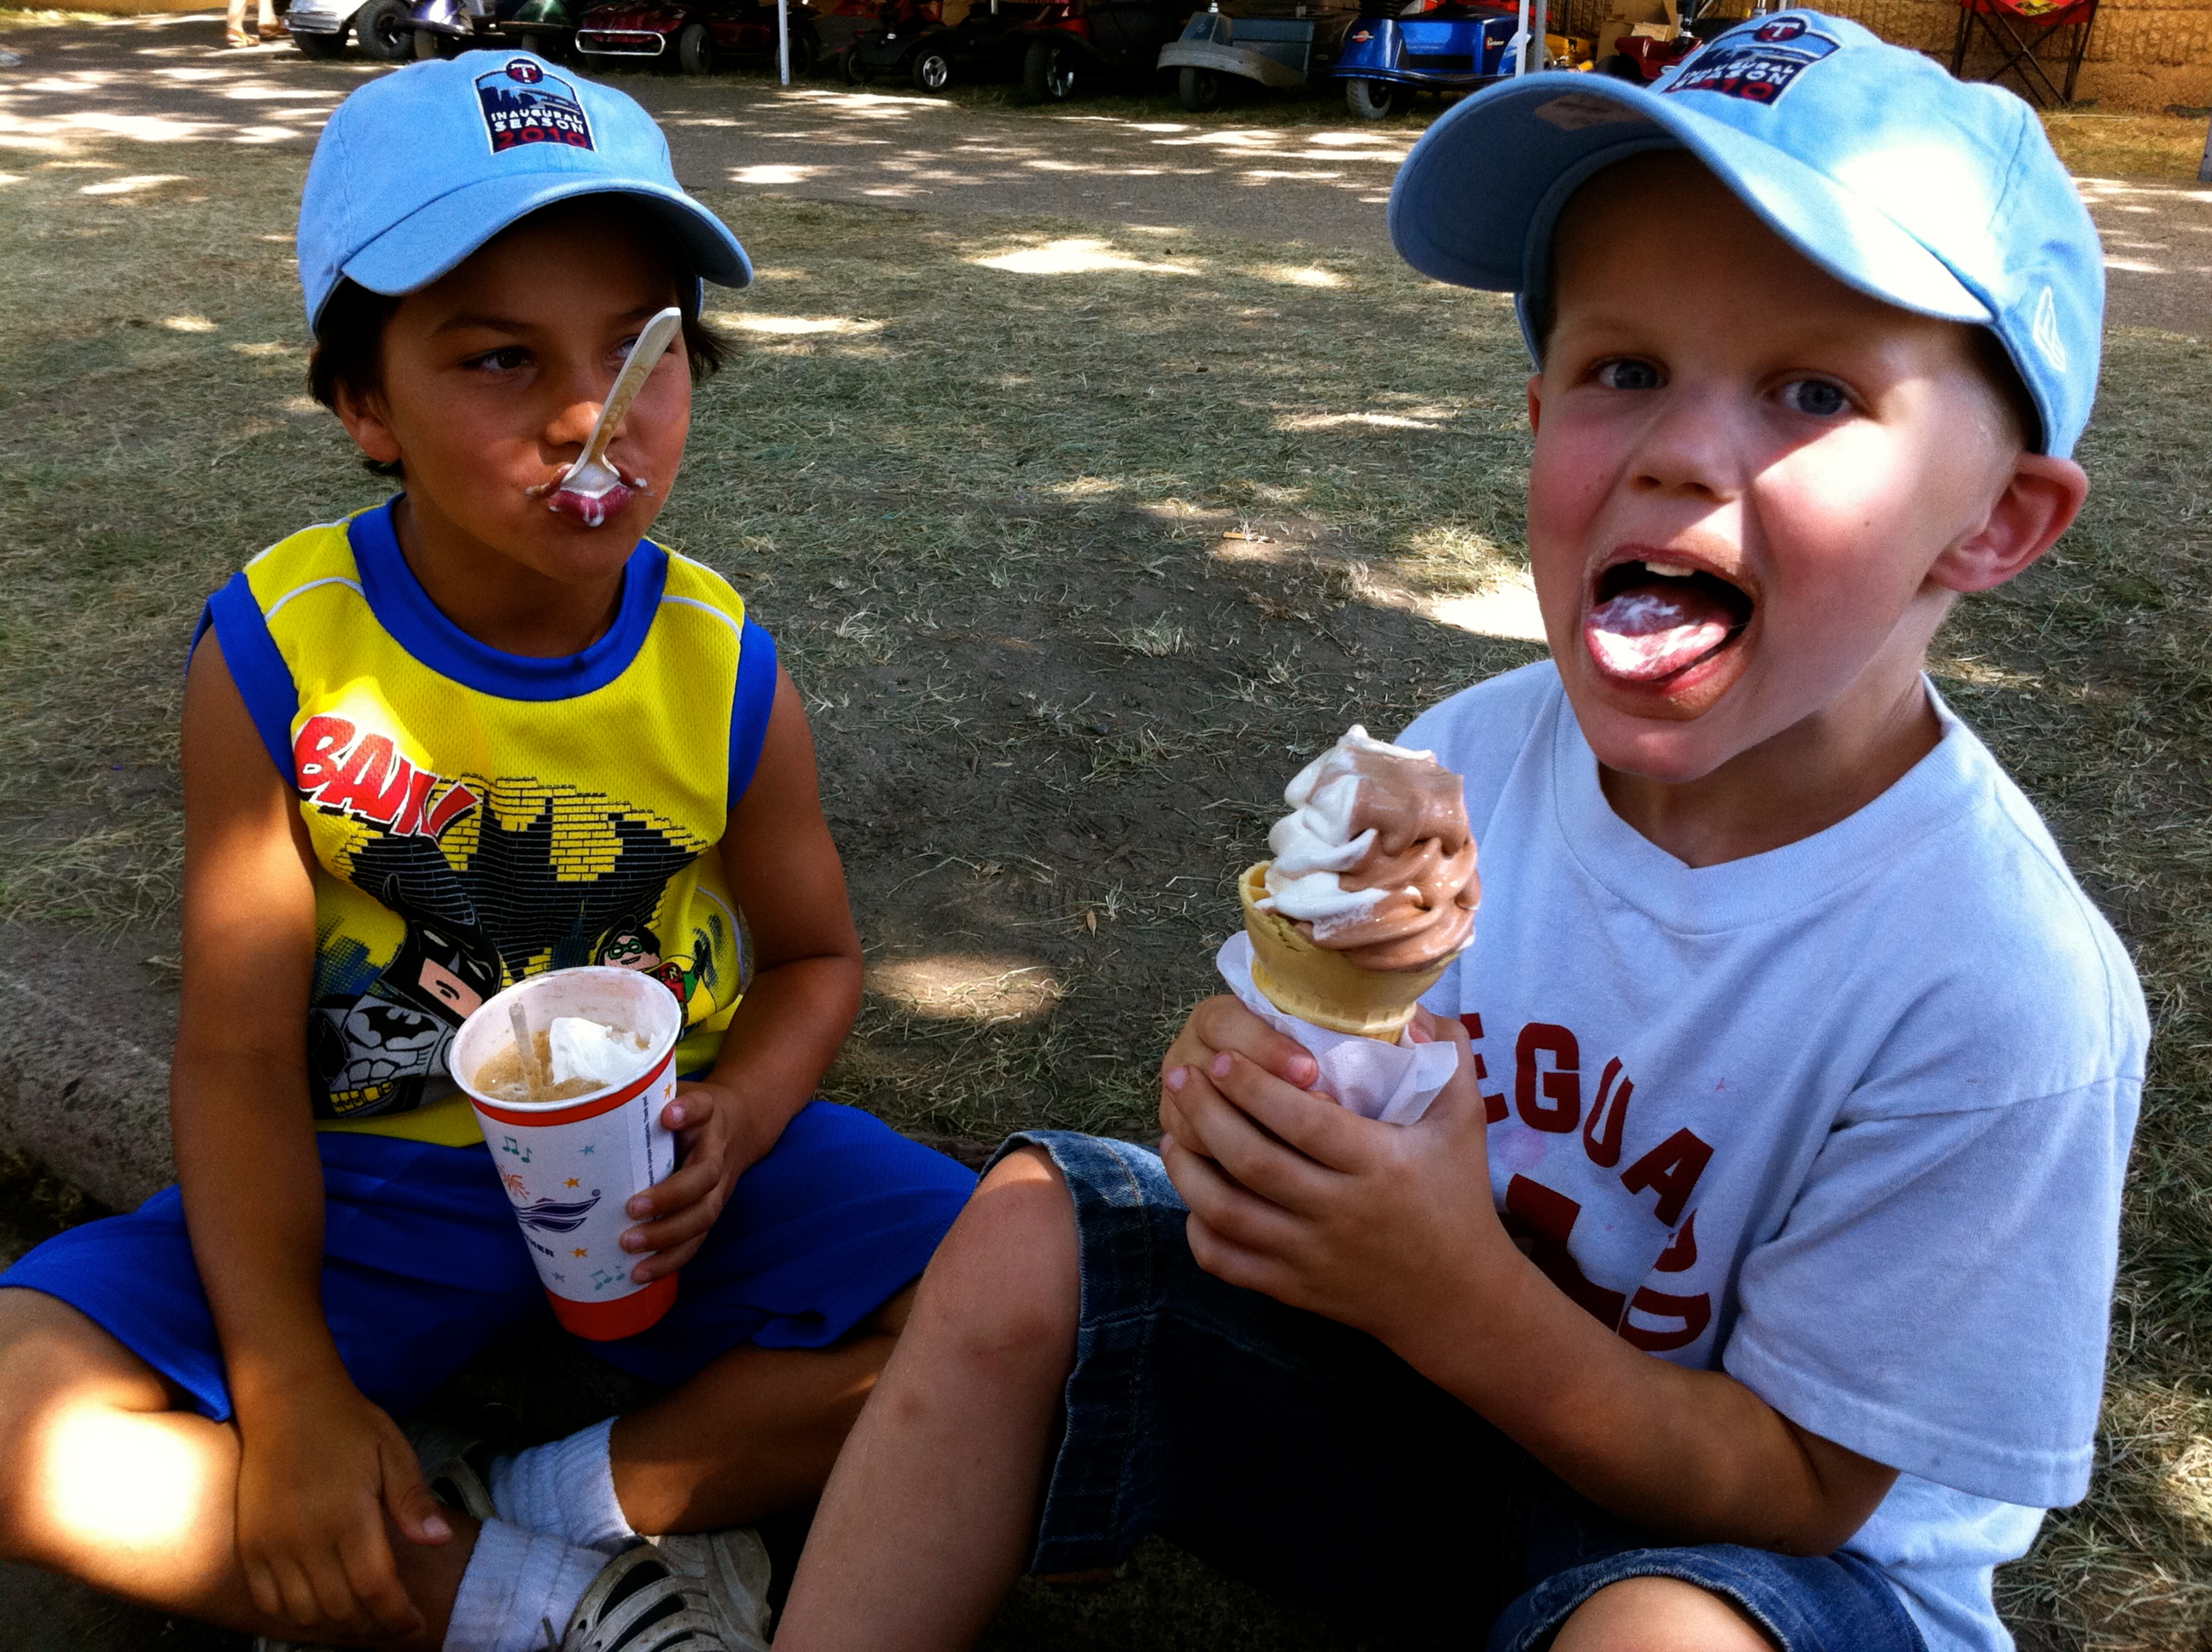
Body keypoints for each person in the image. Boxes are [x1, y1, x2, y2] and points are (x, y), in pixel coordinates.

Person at [771, 17, 2145, 1652]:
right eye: (1623, 371)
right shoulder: (1465, 760)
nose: (1678, 452)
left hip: (1752, 1564)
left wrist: (1450, 1295)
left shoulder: (1999, 994)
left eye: (1813, 391)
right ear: (1538, 411)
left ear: (1996, 520)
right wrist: (1257, 1110)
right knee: (1022, 1229)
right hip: (1428, 1422)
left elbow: (1803, 1489)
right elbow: (1323, 1076)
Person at [0, 54, 975, 1652]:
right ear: (364, 404)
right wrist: (289, 1388)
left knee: (1028, 1293)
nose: (591, 418)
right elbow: (235, 1053)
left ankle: (563, 1504)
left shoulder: (726, 666)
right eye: (500, 358)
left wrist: (742, 1118)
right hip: (370, 1189)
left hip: (672, 1181)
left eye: (643, 350)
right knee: (14, 1408)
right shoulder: (277, 654)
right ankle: (533, 1609)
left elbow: (816, 959)